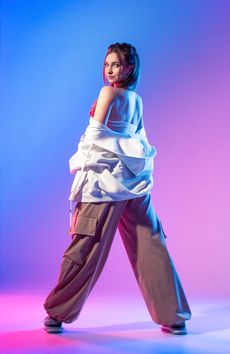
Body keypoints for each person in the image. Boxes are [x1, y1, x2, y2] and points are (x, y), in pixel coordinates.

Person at [43, 42, 191, 335]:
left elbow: (95, 136)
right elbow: (139, 137)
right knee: (151, 244)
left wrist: (81, 176)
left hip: (106, 183)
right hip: (133, 182)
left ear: (129, 68)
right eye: (107, 64)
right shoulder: (136, 98)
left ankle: (57, 313)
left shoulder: (107, 92)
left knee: (86, 245)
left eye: (116, 64)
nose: (110, 69)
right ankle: (174, 316)